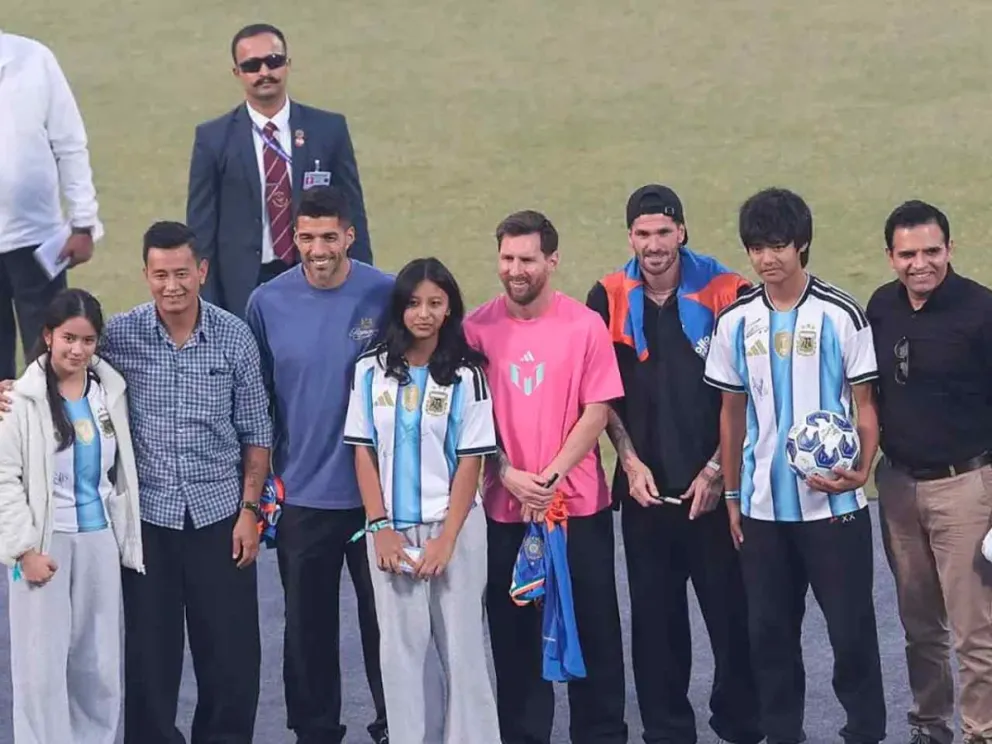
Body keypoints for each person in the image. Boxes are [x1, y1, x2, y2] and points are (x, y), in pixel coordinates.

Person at [704, 188, 886, 744]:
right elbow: (731, 416)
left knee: (851, 633)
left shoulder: (842, 313)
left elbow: (866, 408)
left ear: (802, 244)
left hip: (836, 506)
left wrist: (863, 467)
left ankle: (865, 733)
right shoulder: (736, 321)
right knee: (770, 637)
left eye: (778, 245)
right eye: (757, 248)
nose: (767, 259)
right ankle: (783, 734)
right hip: (762, 510)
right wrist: (733, 497)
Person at [587, 184, 762, 744]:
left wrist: (716, 470)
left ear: (682, 232)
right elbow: (601, 395)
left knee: (733, 621)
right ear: (630, 237)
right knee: (657, 630)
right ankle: (666, 733)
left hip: (716, 496)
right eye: (642, 233)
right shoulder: (608, 295)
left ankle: (741, 728)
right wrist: (629, 462)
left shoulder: (728, 290)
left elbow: (753, 393)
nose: (654, 244)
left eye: (664, 231)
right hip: (645, 498)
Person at [463, 210, 628, 744]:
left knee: (596, 635)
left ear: (551, 261)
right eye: (507, 257)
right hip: (505, 513)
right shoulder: (475, 330)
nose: (516, 269)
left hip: (577, 510)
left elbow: (598, 408)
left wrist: (549, 478)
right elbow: (467, 419)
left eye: (527, 259)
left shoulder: (584, 325)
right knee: (514, 645)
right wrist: (507, 474)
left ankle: (601, 735)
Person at [105, 221, 270, 744]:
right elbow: (67, 368)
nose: (171, 285)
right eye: (160, 275)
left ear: (201, 270)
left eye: (181, 273)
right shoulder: (119, 335)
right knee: (149, 659)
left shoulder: (233, 336)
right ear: (145, 275)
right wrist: (18, 389)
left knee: (230, 657)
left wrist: (250, 512)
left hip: (220, 519)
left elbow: (257, 435)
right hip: (147, 523)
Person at [245, 185, 390, 744]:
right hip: (302, 496)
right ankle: (315, 731)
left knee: (385, 623)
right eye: (307, 238)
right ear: (294, 239)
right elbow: (257, 401)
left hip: (374, 498)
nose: (318, 249)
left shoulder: (385, 292)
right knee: (307, 629)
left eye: (329, 237)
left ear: (349, 236)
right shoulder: (267, 302)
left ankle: (393, 723)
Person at [344, 257, 501, 744]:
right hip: (389, 535)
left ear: (450, 308)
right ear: (399, 309)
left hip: (453, 532)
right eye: (414, 303)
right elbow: (363, 453)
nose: (424, 314)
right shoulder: (369, 371)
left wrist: (446, 542)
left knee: (463, 652)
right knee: (400, 654)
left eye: (435, 303)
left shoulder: (467, 375)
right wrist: (379, 528)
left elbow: (470, 465)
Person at [866, 200, 992, 744]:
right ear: (891, 256)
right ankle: (929, 726)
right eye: (908, 253)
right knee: (920, 628)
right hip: (896, 487)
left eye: (932, 251)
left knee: (974, 631)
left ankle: (980, 732)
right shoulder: (880, 307)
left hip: (966, 488)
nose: (922, 263)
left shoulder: (982, 311)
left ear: (950, 250)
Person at [0, 288, 142, 744]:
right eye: (68, 339)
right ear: (47, 335)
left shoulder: (109, 391)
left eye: (87, 340)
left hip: (98, 540)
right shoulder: (18, 401)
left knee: (97, 665)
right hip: (44, 545)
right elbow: (4, 481)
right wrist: (24, 551)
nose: (77, 350)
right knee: (40, 670)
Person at [186, 23, 373, 320]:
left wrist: (365, 287)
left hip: (317, 276)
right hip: (244, 289)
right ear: (237, 73)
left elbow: (353, 215)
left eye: (273, 61)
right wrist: (207, 305)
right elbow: (201, 232)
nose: (264, 72)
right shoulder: (212, 139)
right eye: (251, 65)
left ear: (287, 64)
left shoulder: (328, 130)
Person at [0, 30, 103, 380]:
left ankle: (49, 434)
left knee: (47, 361)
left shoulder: (33, 60)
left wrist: (83, 223)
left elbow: (70, 142)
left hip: (37, 240)